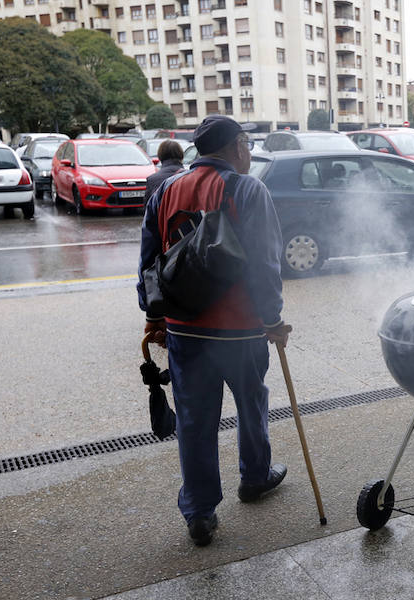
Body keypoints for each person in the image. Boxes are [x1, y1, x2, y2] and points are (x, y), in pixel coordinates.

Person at [137, 115, 291, 547]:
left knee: (194, 419)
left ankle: (200, 512)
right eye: (246, 144)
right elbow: (265, 263)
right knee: (251, 402)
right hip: (239, 330)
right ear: (237, 146)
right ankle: (255, 477)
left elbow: (149, 260)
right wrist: (273, 319)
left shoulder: (166, 190)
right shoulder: (248, 189)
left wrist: (154, 316)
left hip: (185, 330)